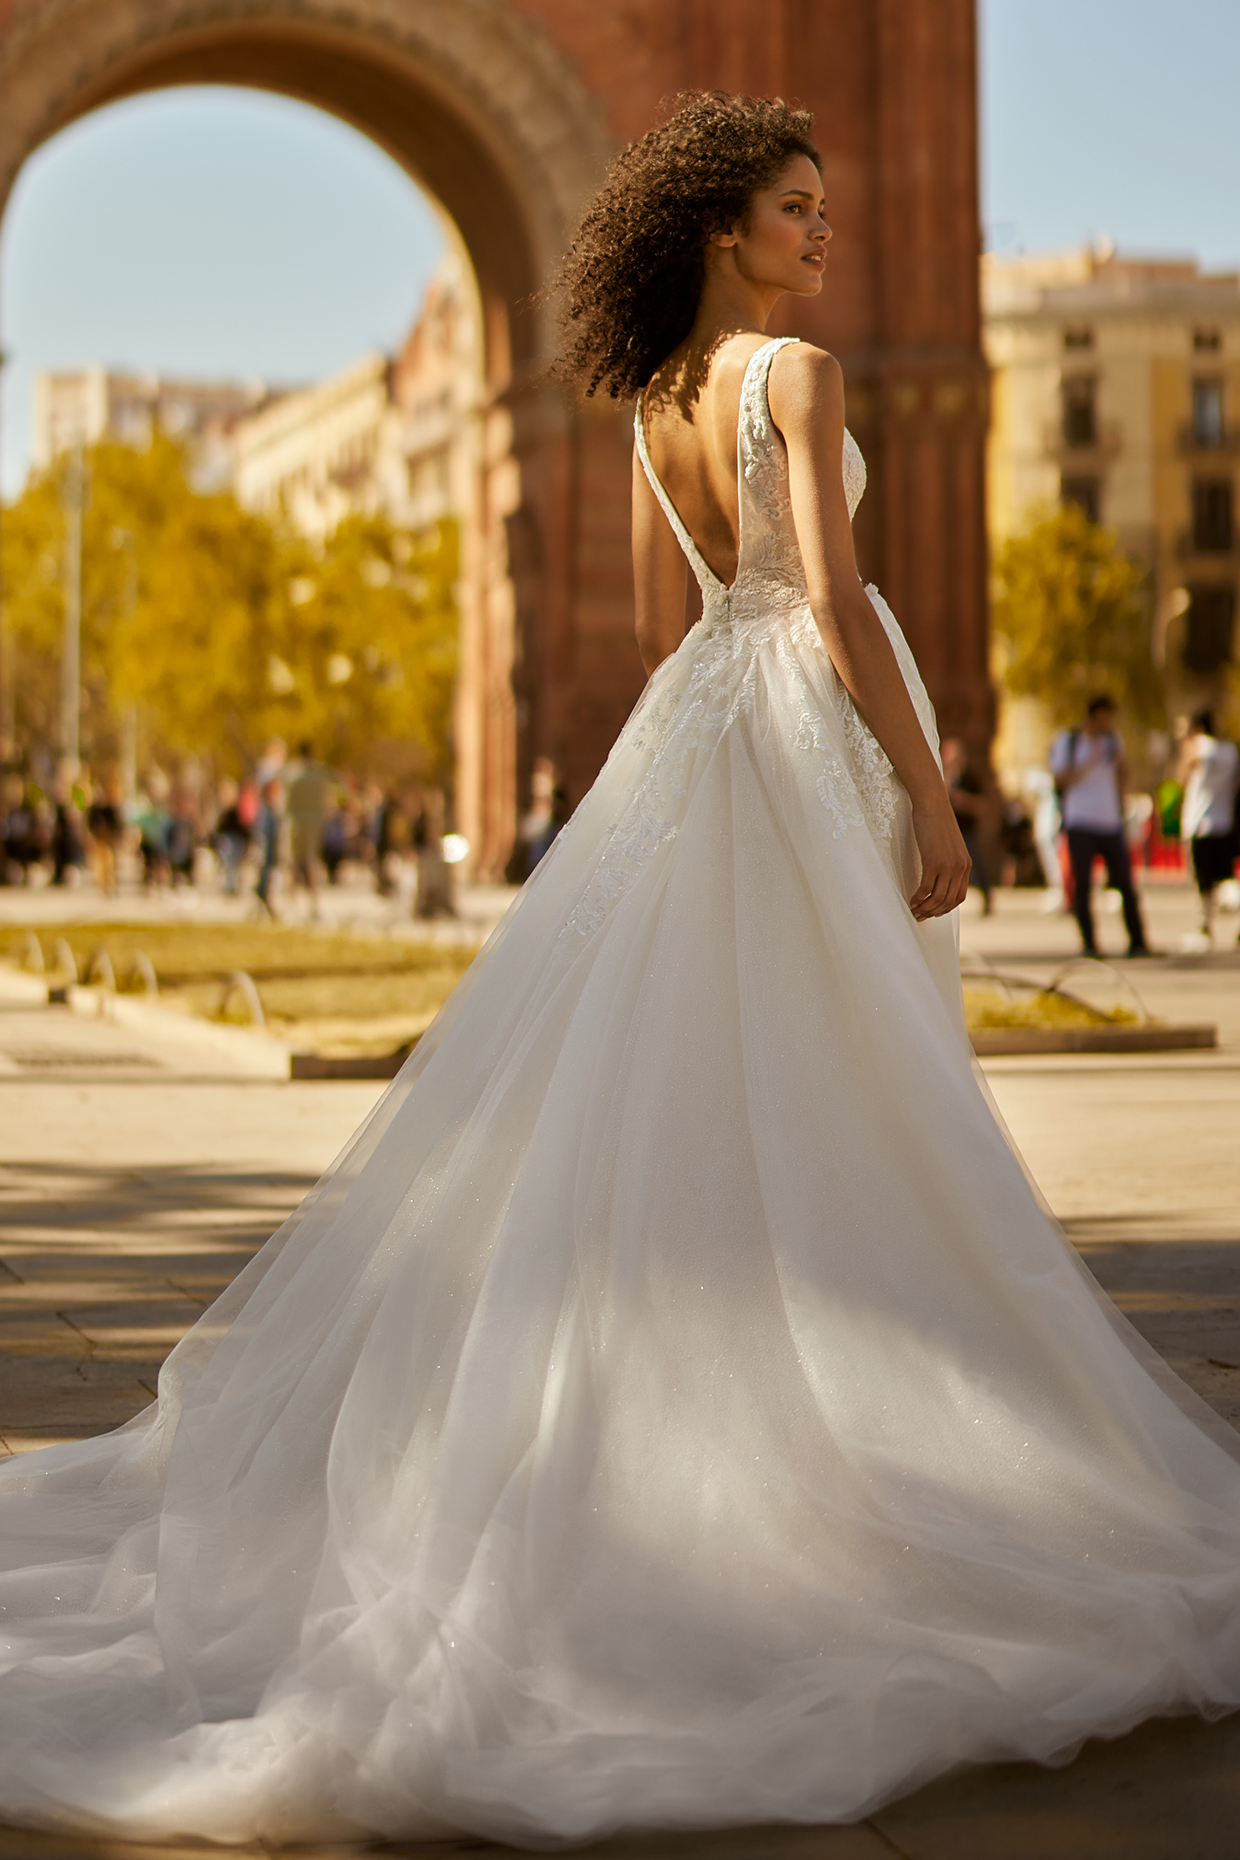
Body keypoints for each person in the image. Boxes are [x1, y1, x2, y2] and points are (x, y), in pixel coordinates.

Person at [3, 93, 1240, 1850]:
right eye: (798, 208)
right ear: (727, 227)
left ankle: (725, 1455)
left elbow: (714, 605)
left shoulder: (655, 398)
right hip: (805, 729)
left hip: (700, 739)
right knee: (854, 1093)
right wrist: (938, 786)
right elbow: (829, 594)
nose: (827, 232)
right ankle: (837, 1468)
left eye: (825, 205)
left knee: (704, 1092)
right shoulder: (793, 378)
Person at [1049, 694, 1153, 957]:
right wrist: (1088, 763)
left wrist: (1122, 801)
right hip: (1079, 820)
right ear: (1093, 717)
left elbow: (1122, 774)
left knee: (1125, 883)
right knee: (1083, 883)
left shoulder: (1112, 741)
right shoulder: (1070, 741)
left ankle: (1138, 941)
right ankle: (1090, 944)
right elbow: (1059, 780)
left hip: (1109, 821)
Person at [1178, 708, 1239, 944]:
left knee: (1203, 882)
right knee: (1225, 878)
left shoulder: (1199, 746)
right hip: (1223, 821)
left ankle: (1204, 928)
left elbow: (1183, 775)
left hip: (1199, 822)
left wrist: (1185, 749)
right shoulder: (1230, 750)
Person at [940, 736, 991, 913]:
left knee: (975, 864)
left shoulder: (971, 778)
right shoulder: (940, 775)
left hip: (966, 829)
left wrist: (964, 801)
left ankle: (987, 899)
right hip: (946, 830)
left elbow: (983, 805)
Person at [284, 741, 335, 909]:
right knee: (311, 861)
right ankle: (314, 903)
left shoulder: (292, 771)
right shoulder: (319, 772)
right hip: (314, 822)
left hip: (296, 821)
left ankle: (292, 902)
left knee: (293, 862)